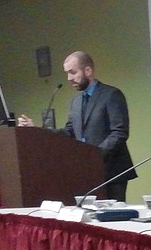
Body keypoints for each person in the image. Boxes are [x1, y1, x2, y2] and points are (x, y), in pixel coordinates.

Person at [17, 51, 134, 202]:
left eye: (73, 72)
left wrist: (95, 155)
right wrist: (37, 130)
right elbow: (69, 132)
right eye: (67, 73)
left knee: (111, 221)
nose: (69, 78)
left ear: (88, 71)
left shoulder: (111, 95)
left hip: (111, 172)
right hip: (84, 171)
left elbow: (119, 133)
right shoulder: (76, 101)